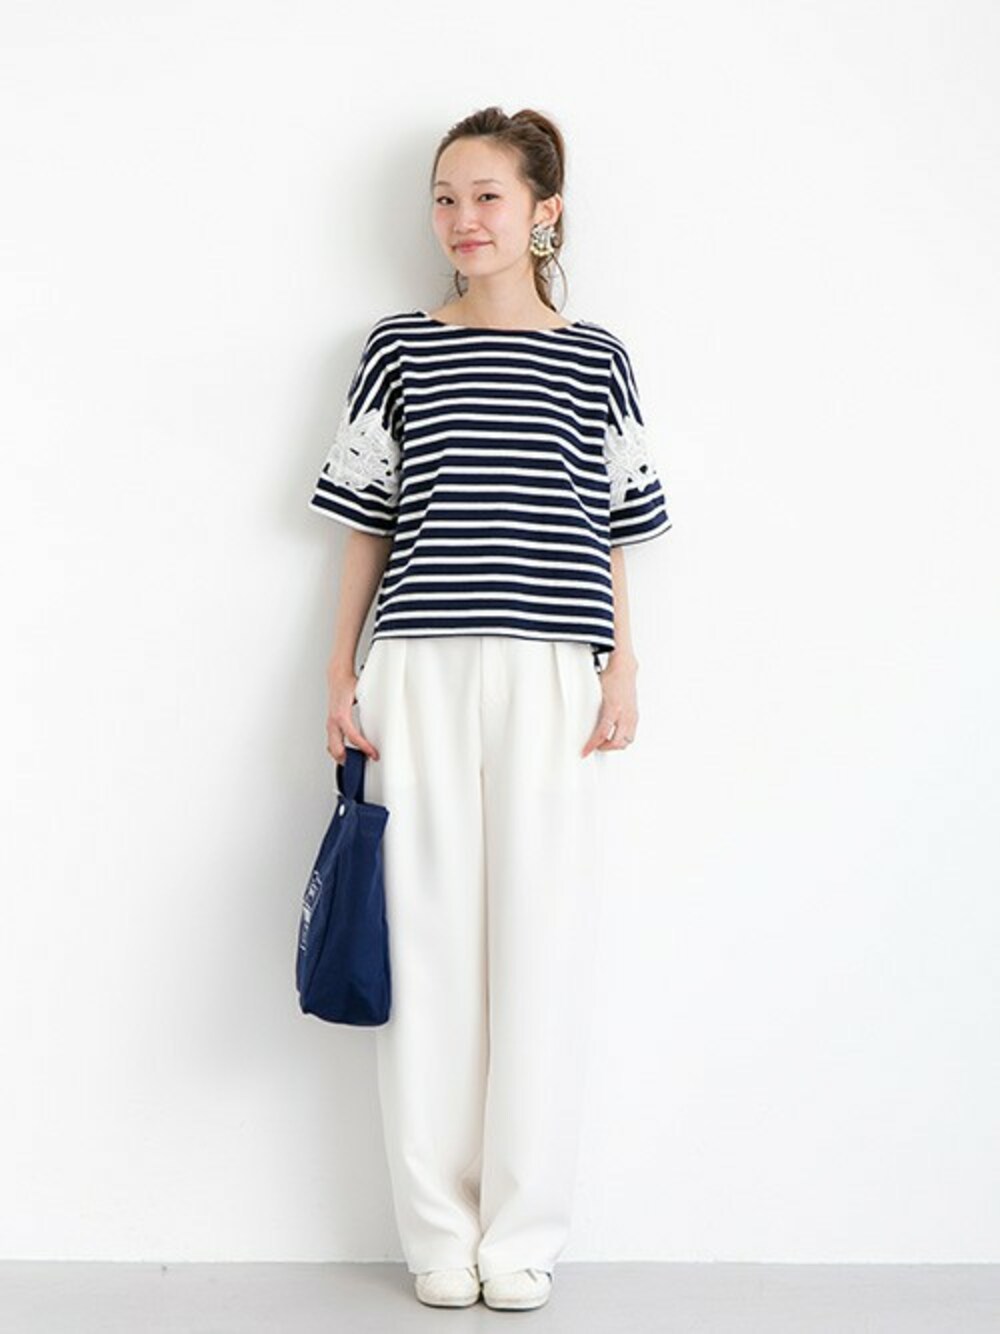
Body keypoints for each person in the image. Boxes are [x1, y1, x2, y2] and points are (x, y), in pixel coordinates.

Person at [308, 105, 672, 1312]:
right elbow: (366, 522)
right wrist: (337, 670)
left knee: (538, 942)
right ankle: (436, 1227)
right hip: (416, 665)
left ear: (542, 211)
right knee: (424, 943)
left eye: (487, 197)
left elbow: (613, 526)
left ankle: (522, 1233)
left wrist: (621, 664)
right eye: (445, 197)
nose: (462, 219)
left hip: (552, 671)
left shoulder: (596, 356)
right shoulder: (397, 348)